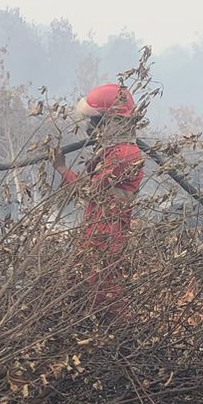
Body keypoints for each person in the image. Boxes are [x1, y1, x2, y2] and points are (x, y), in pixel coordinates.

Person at [53, 84, 146, 312]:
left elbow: (89, 191)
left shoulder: (125, 154)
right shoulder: (114, 150)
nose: (91, 128)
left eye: (96, 121)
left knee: (103, 294)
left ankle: (122, 341)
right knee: (78, 288)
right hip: (98, 228)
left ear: (112, 120)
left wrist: (62, 169)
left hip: (107, 234)